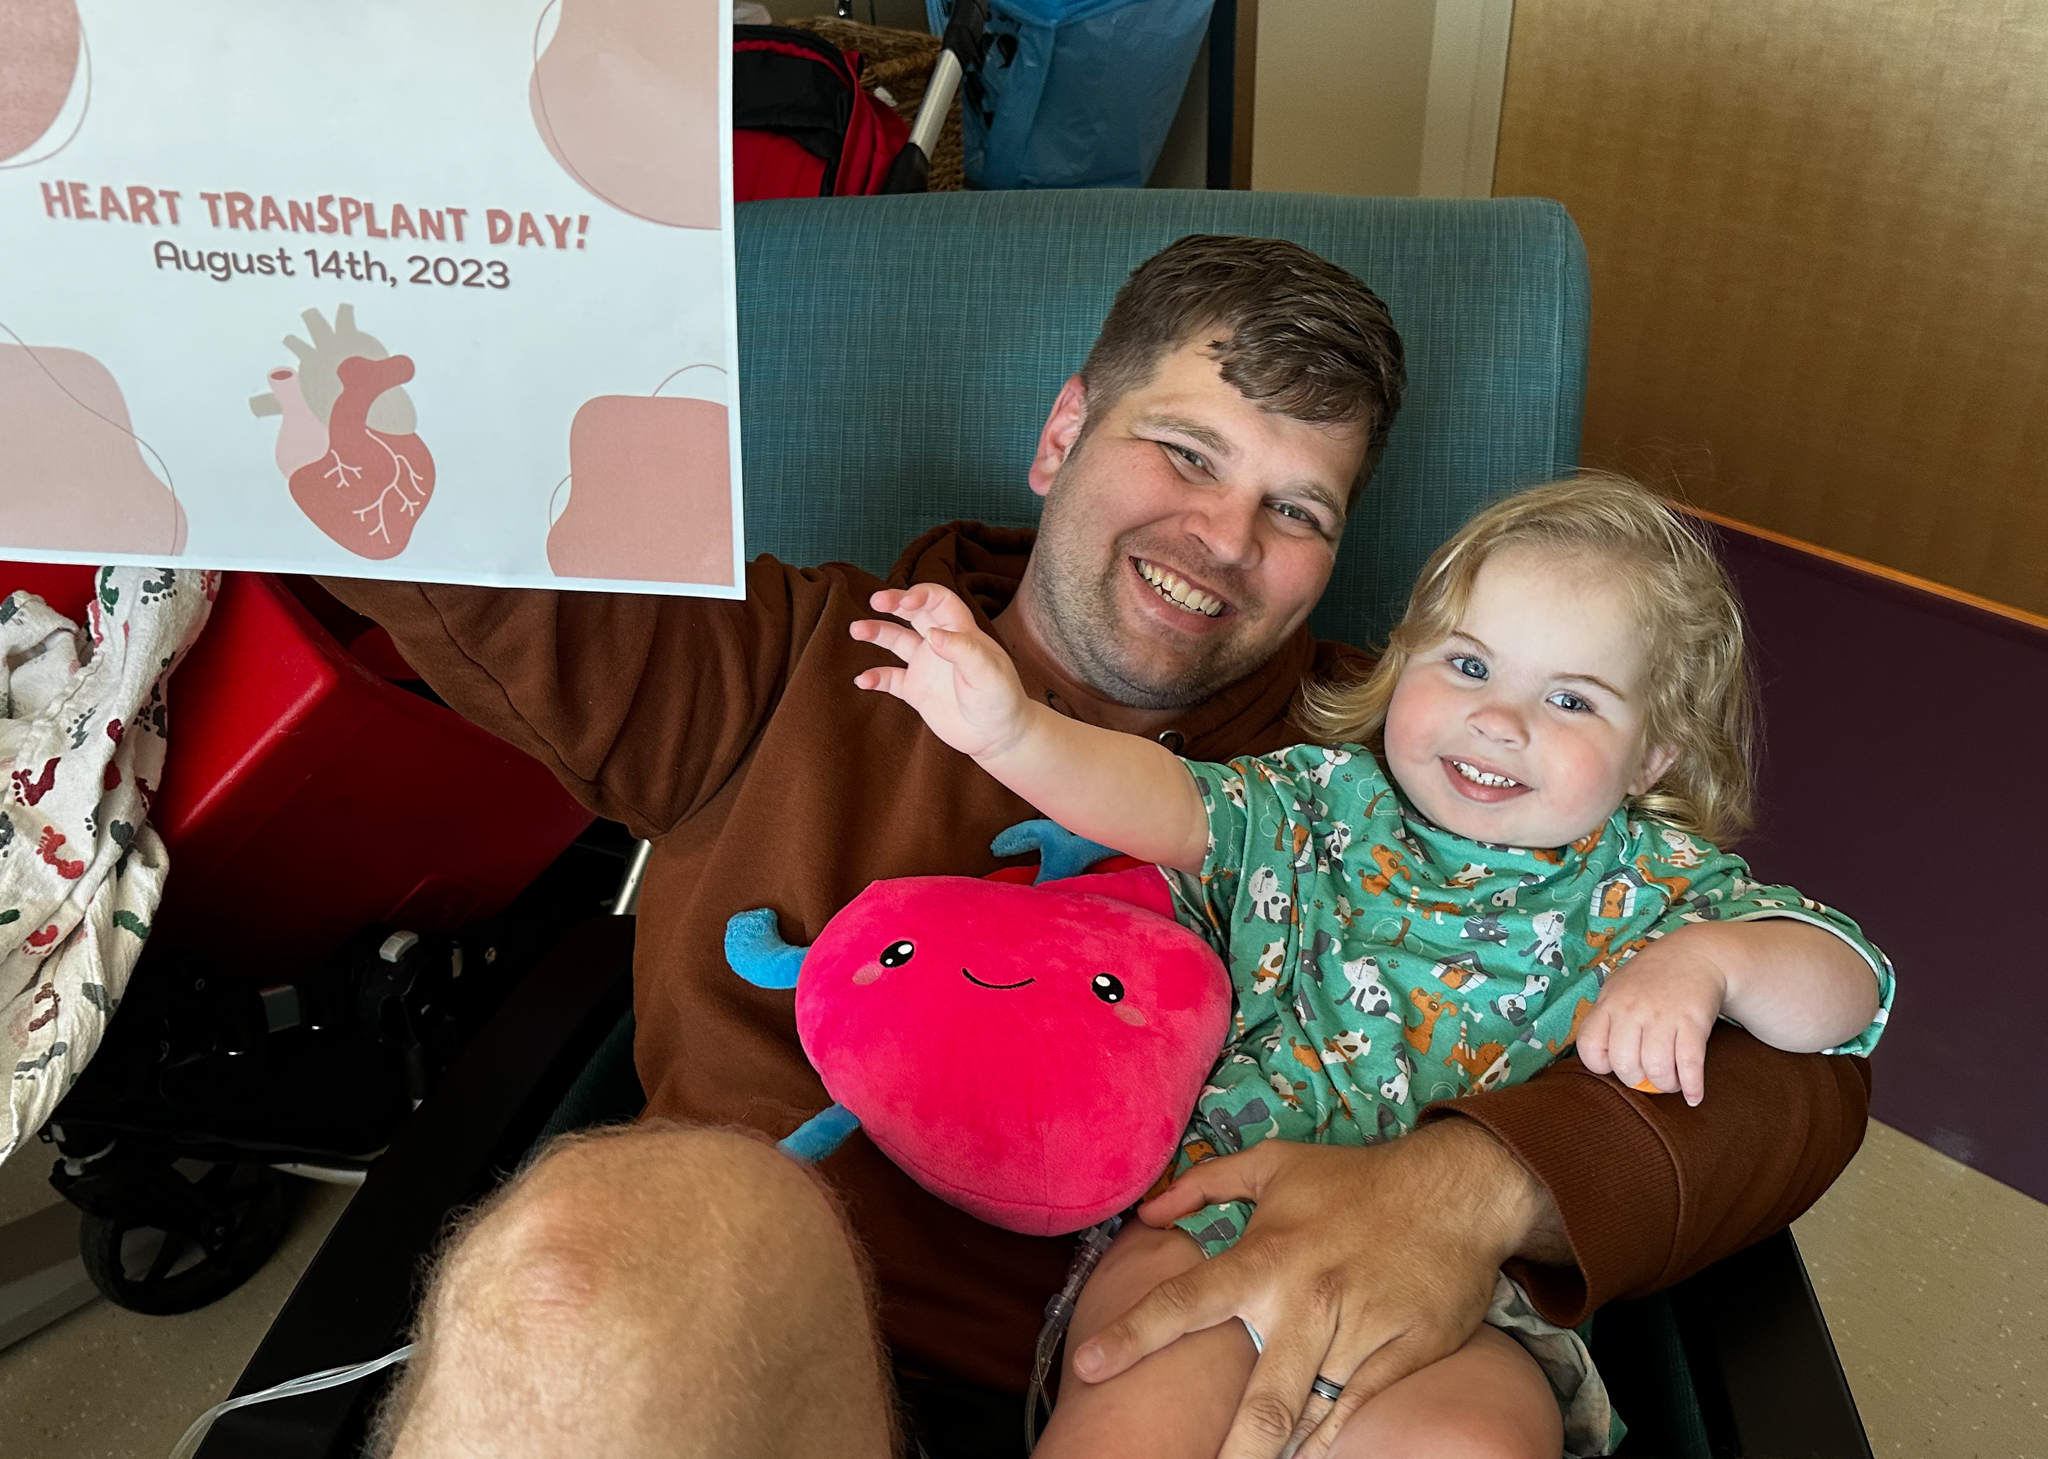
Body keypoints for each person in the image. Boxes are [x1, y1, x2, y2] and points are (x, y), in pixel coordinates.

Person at [328, 235, 1875, 1459]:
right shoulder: (795, 657)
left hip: (1213, 1376)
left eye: (1300, 509)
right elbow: (426, 531)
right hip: (739, 1360)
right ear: (1064, 430)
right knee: (588, 1242)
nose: (1223, 541)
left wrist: (1462, 1188)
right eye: (1185, 451)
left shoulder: (1383, 778)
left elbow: (1803, 1059)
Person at [850, 475, 1892, 1457]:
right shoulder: (1317, 803)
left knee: (1473, 1440)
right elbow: (1160, 799)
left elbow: (1850, 992)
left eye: (1571, 701)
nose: (1499, 719)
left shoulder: (1653, 885)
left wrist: (1713, 963)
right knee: (1140, 1405)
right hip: (1212, 1230)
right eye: (1469, 665)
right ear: (1403, 662)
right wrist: (1013, 730)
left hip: (1469, 1293)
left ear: (1653, 755)